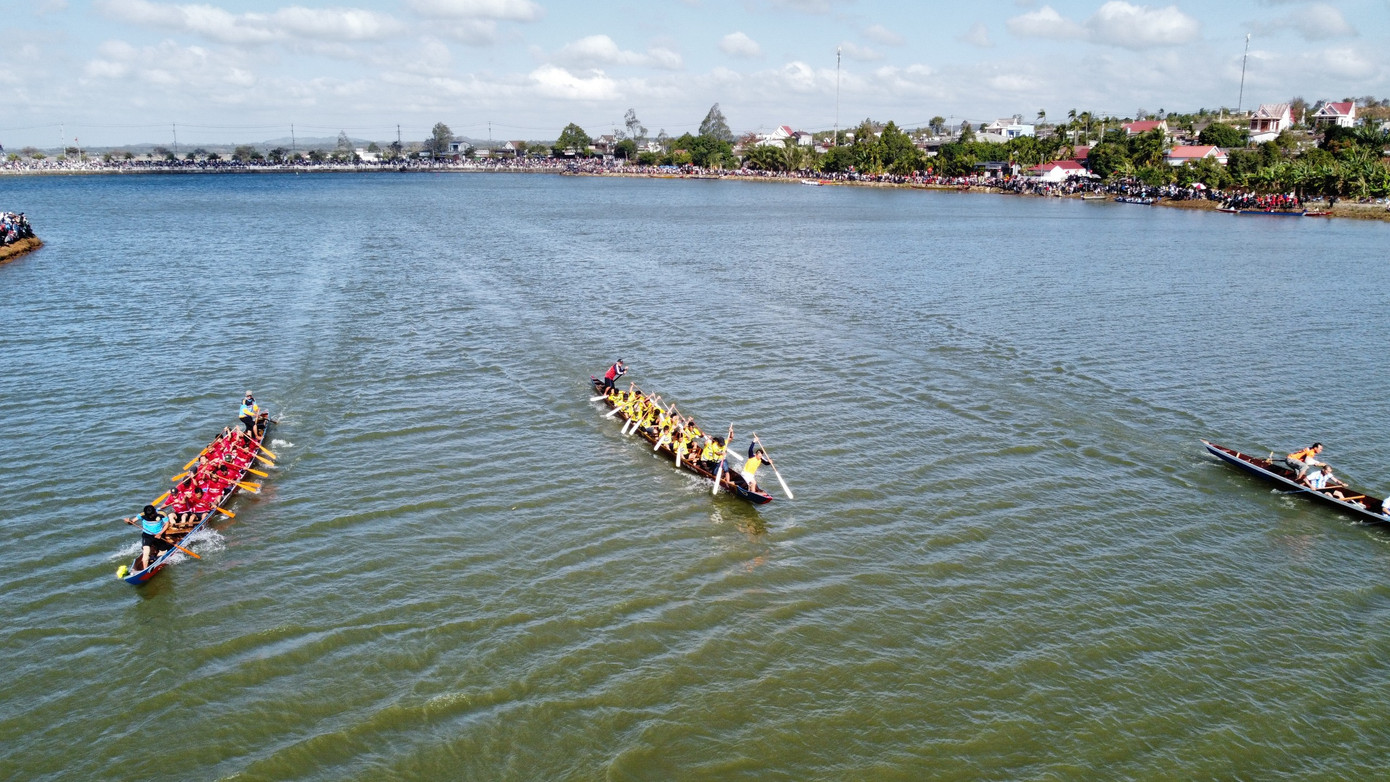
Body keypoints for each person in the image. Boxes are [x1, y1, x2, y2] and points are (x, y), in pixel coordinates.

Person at [123, 505, 172, 571]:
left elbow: (167, 523)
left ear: (154, 512)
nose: (150, 517)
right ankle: (145, 569)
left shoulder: (161, 514)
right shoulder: (142, 515)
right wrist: (128, 521)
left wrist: (160, 533)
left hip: (159, 535)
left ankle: (156, 559)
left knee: (163, 551)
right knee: (146, 552)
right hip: (147, 536)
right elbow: (132, 522)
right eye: (148, 516)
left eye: (151, 515)